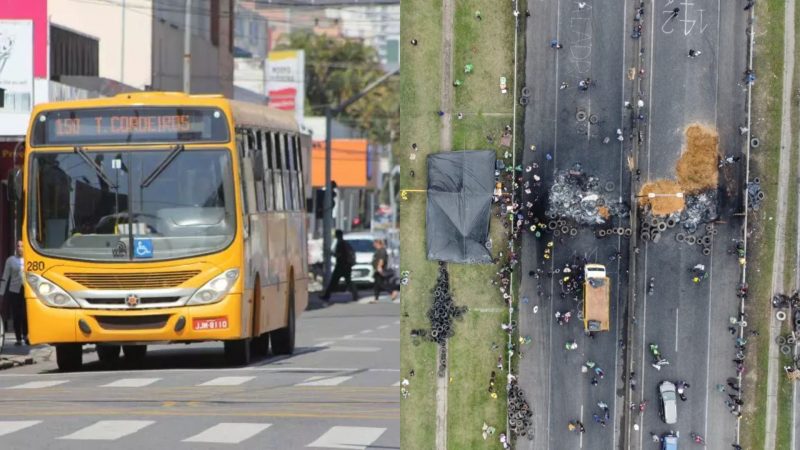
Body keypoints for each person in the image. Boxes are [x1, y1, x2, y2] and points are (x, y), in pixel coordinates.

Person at [1, 240, 27, 346]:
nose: (20, 248)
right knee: (17, 314)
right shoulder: (11, 260)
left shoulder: (29, 259)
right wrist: (1, 293)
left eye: (22, 246)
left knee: (26, 313)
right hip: (15, 290)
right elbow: (5, 276)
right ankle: (18, 338)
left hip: (26, 289)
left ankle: (26, 335)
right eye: (18, 246)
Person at [321, 230, 358, 301]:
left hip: (341, 266)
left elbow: (339, 255)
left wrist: (331, 253)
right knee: (348, 281)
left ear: (337, 235)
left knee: (334, 281)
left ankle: (326, 296)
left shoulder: (340, 244)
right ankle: (355, 295)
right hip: (346, 266)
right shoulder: (345, 243)